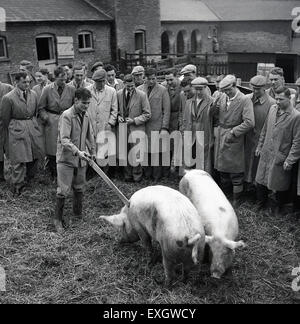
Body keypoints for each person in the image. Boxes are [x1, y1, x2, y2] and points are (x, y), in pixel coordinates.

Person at [54, 88, 96, 233]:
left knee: (79, 187)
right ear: (76, 100)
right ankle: (57, 220)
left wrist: (93, 151)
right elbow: (64, 139)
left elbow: (90, 135)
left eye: (88, 103)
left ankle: (77, 216)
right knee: (63, 190)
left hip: (81, 159)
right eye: (84, 103)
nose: (86, 106)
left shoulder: (86, 115)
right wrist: (78, 152)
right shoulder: (66, 116)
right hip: (66, 159)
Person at [255, 88, 300, 216]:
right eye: (277, 98)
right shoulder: (273, 109)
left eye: (281, 99)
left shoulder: (295, 116)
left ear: (289, 98)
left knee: (277, 184)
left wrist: (290, 160)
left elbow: (297, 142)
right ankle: (260, 205)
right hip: (266, 152)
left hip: (281, 155)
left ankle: (275, 209)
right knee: (261, 180)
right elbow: (264, 129)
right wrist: (259, 146)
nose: (278, 102)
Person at [213, 75, 255, 207]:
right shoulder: (222, 97)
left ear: (235, 85)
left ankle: (237, 200)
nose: (226, 92)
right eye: (224, 90)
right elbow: (215, 115)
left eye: (228, 90)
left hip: (234, 138)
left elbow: (249, 122)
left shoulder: (244, 100)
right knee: (222, 170)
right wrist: (214, 106)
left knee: (235, 172)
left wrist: (234, 132)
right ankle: (225, 197)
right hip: (221, 136)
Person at [1, 72, 44, 195]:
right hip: (17, 129)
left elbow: (35, 111)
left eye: (29, 82)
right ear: (16, 82)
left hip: (32, 127)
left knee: (34, 155)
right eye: (24, 82)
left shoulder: (34, 94)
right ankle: (18, 186)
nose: (27, 84)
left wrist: (32, 124)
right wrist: (15, 127)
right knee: (19, 159)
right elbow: (5, 118)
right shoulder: (8, 98)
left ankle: (29, 180)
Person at [38, 66, 76, 180]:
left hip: (67, 120)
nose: (63, 82)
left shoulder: (71, 89)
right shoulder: (47, 89)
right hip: (52, 121)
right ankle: (54, 173)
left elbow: (75, 105)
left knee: (67, 145)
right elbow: (41, 107)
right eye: (61, 79)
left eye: (65, 79)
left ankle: (68, 171)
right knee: (52, 148)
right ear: (55, 78)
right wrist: (46, 117)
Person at [244, 75, 275, 196]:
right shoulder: (246, 99)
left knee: (258, 167)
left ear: (265, 88)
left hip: (261, 140)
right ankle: (246, 189)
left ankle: (258, 194)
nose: (255, 91)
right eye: (253, 88)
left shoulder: (272, 103)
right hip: (246, 139)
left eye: (258, 89)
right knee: (246, 165)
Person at [138, 68, 170, 181]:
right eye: (149, 79)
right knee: (145, 151)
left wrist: (164, 127)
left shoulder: (162, 90)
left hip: (157, 125)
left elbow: (166, 110)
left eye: (153, 78)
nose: (151, 81)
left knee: (156, 152)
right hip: (143, 125)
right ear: (144, 78)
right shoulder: (139, 89)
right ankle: (146, 175)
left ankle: (156, 176)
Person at [117, 74, 151, 182]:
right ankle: (127, 176)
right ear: (124, 84)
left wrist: (134, 120)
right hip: (123, 129)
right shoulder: (118, 94)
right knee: (125, 152)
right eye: (128, 86)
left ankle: (137, 176)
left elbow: (147, 114)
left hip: (136, 129)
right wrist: (118, 117)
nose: (130, 88)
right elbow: (116, 110)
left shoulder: (142, 95)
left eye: (132, 86)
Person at [86, 69, 118, 173]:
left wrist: (110, 123)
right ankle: (92, 172)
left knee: (105, 150)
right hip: (91, 125)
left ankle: (105, 174)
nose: (101, 84)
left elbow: (114, 110)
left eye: (102, 81)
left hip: (105, 125)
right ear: (94, 81)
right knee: (91, 148)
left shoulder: (111, 91)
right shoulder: (87, 90)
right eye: (98, 82)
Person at [182, 77, 214, 174]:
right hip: (190, 134)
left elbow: (214, 121)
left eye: (201, 89)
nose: (198, 92)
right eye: (196, 89)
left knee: (203, 160)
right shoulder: (189, 102)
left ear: (206, 88)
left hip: (204, 134)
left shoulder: (212, 102)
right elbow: (185, 120)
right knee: (190, 157)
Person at [0, 80, 14, 182]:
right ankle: (1, 175)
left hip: (8, 124)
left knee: (12, 149)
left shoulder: (8, 88)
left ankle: (16, 174)